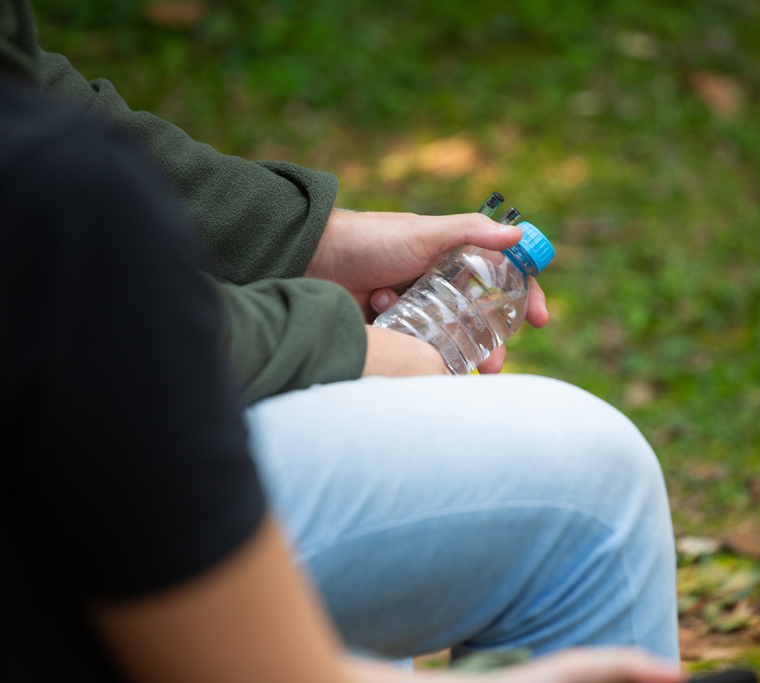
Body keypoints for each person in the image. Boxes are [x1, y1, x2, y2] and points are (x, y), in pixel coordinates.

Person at [3, 0, 680, 665]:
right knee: (595, 481)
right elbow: (109, 327)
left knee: (397, 450)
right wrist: (349, 348)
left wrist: (311, 239)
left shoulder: (62, 179)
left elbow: (24, 83)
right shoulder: (67, 201)